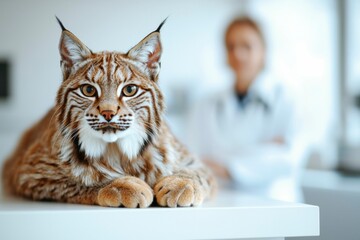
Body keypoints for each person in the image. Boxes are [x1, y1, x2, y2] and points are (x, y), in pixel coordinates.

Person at [188, 17, 306, 202]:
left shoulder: (286, 99)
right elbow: (193, 159)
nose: (238, 54)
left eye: (247, 46)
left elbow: (286, 159)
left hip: (275, 202)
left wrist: (225, 167)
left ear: (263, 51)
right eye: (231, 46)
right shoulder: (206, 104)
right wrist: (263, 151)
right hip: (224, 201)